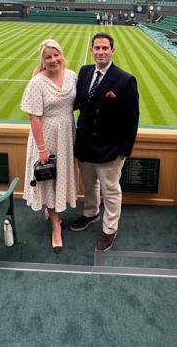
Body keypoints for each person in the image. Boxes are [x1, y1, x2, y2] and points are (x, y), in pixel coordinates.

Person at [69, 33, 140, 252]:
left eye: (105, 48)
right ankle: (90, 213)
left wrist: (123, 151)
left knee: (110, 191)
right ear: (91, 50)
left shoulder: (125, 79)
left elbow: (132, 118)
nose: (100, 52)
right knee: (89, 185)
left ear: (112, 51)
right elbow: (77, 103)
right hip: (85, 144)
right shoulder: (84, 71)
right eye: (97, 48)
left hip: (109, 148)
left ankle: (110, 229)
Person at [20, 39, 78, 254]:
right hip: (46, 138)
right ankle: (55, 225)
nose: (53, 60)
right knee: (49, 178)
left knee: (59, 177)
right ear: (42, 60)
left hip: (67, 136)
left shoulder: (72, 76)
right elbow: (34, 118)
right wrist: (42, 149)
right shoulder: (37, 82)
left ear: (61, 55)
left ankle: (51, 211)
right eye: (48, 57)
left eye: (56, 55)